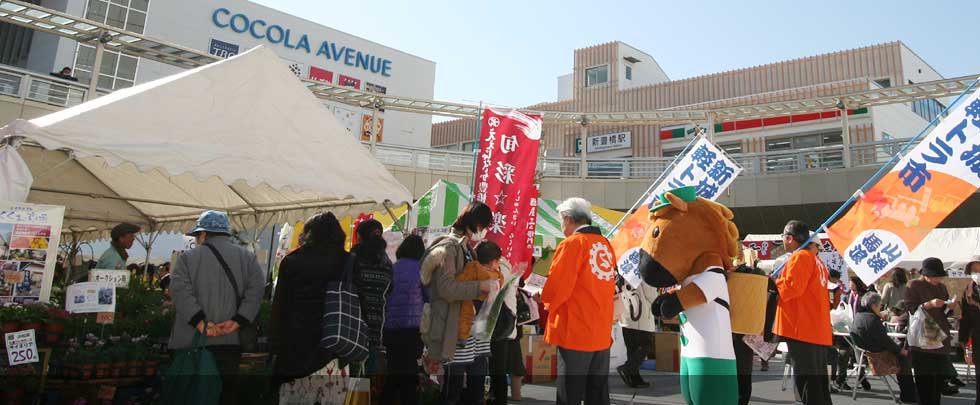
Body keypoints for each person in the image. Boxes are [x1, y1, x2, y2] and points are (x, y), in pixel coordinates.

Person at [168, 211, 264, 405]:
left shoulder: (187, 258)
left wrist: (200, 322)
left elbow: (180, 292)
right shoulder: (249, 259)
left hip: (191, 342)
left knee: (189, 394)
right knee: (225, 395)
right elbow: (256, 293)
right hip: (230, 341)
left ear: (203, 234)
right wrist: (238, 322)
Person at [420, 201, 498, 404]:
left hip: (462, 327)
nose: (483, 231)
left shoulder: (465, 247)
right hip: (450, 328)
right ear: (475, 223)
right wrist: (480, 287)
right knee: (451, 391)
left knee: (463, 390)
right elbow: (446, 289)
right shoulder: (450, 247)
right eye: (483, 226)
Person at [541, 197, 617, 405]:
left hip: (575, 329)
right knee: (598, 393)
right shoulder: (605, 245)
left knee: (570, 393)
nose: (561, 226)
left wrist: (543, 297)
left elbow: (558, 287)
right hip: (600, 330)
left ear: (568, 219)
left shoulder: (572, 244)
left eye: (561, 221)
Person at [269, 213, 347, 388]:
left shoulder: (292, 261)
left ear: (309, 234)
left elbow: (279, 306)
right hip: (334, 344)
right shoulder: (348, 261)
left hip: (294, 344)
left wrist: (273, 345)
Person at [773, 220, 832, 405]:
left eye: (783, 238)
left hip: (802, 328)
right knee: (818, 384)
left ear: (790, 238)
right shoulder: (818, 262)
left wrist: (771, 284)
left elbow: (791, 288)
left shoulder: (800, 257)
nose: (783, 241)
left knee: (806, 385)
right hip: (816, 329)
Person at [903, 257, 956, 405]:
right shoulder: (914, 285)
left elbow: (944, 313)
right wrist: (929, 304)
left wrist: (949, 307)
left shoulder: (942, 287)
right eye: (934, 276)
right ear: (925, 274)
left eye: (939, 276)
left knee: (937, 384)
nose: (937, 279)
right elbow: (909, 308)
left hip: (940, 340)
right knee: (924, 383)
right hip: (922, 341)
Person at [382, 234, 426, 405]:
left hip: (391, 328)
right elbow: (429, 297)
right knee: (408, 372)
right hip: (413, 329)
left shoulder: (392, 268)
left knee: (395, 370)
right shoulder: (422, 270)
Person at [852, 291, 918, 403]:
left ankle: (910, 393)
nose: (881, 308)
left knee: (902, 354)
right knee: (904, 358)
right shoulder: (872, 320)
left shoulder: (859, 316)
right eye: (879, 305)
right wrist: (900, 350)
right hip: (878, 355)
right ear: (873, 306)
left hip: (866, 352)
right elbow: (886, 342)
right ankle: (908, 395)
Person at [349, 219, 394, 376]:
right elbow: (389, 291)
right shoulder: (386, 262)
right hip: (376, 327)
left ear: (360, 236)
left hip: (351, 324)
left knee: (349, 379)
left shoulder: (354, 257)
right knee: (365, 381)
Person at [481, 241, 518, 405]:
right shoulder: (507, 266)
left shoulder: (498, 270)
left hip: (494, 323)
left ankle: (497, 399)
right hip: (504, 324)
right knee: (498, 369)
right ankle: (498, 399)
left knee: (494, 368)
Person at [615, 277, 656, 389]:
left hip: (627, 313)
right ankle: (627, 369)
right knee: (645, 346)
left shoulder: (622, 268)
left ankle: (634, 378)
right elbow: (650, 293)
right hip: (641, 315)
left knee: (632, 349)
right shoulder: (641, 270)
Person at [958, 259, 980, 405]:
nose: (977, 274)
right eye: (974, 271)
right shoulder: (968, 290)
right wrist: (963, 337)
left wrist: (977, 304)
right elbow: (965, 317)